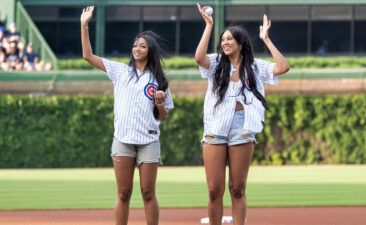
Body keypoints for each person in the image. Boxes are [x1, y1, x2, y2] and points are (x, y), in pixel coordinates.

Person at [195, 3, 289, 225]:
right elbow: (199, 58)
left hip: (243, 125)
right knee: (213, 190)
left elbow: (283, 67)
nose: (225, 42)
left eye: (230, 39)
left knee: (237, 188)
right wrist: (208, 26)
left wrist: (266, 39)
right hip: (215, 126)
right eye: (223, 39)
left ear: (240, 43)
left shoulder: (255, 67)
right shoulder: (217, 63)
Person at [80, 6, 173, 225]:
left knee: (148, 194)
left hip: (149, 141)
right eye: (135, 45)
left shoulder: (159, 79)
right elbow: (87, 56)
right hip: (123, 140)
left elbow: (164, 116)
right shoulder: (120, 71)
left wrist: (160, 104)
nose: (136, 48)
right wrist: (85, 25)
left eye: (142, 46)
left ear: (150, 50)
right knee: (123, 194)